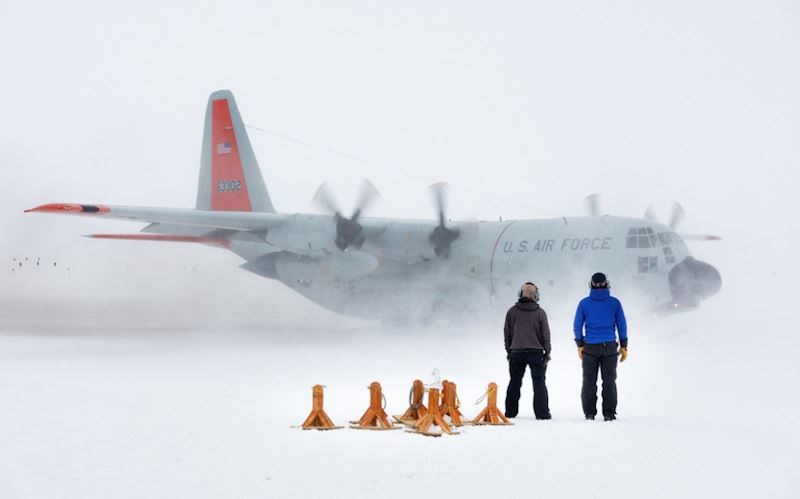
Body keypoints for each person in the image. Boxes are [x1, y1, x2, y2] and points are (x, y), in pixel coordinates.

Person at [573, 272, 628, 421]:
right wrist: (624, 346)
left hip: (590, 347)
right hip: (609, 347)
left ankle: (590, 413)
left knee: (589, 381)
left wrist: (580, 344)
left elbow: (577, 326)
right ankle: (609, 413)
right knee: (609, 381)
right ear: (607, 284)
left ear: (591, 285)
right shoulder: (614, 303)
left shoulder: (584, 303)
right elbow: (621, 325)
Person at [504, 282, 552, 419]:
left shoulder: (512, 312)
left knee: (514, 382)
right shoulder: (540, 313)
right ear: (535, 296)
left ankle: (510, 412)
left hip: (516, 352)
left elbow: (507, 333)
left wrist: (509, 350)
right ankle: (542, 413)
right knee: (539, 384)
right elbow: (546, 335)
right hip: (536, 353)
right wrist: (547, 352)